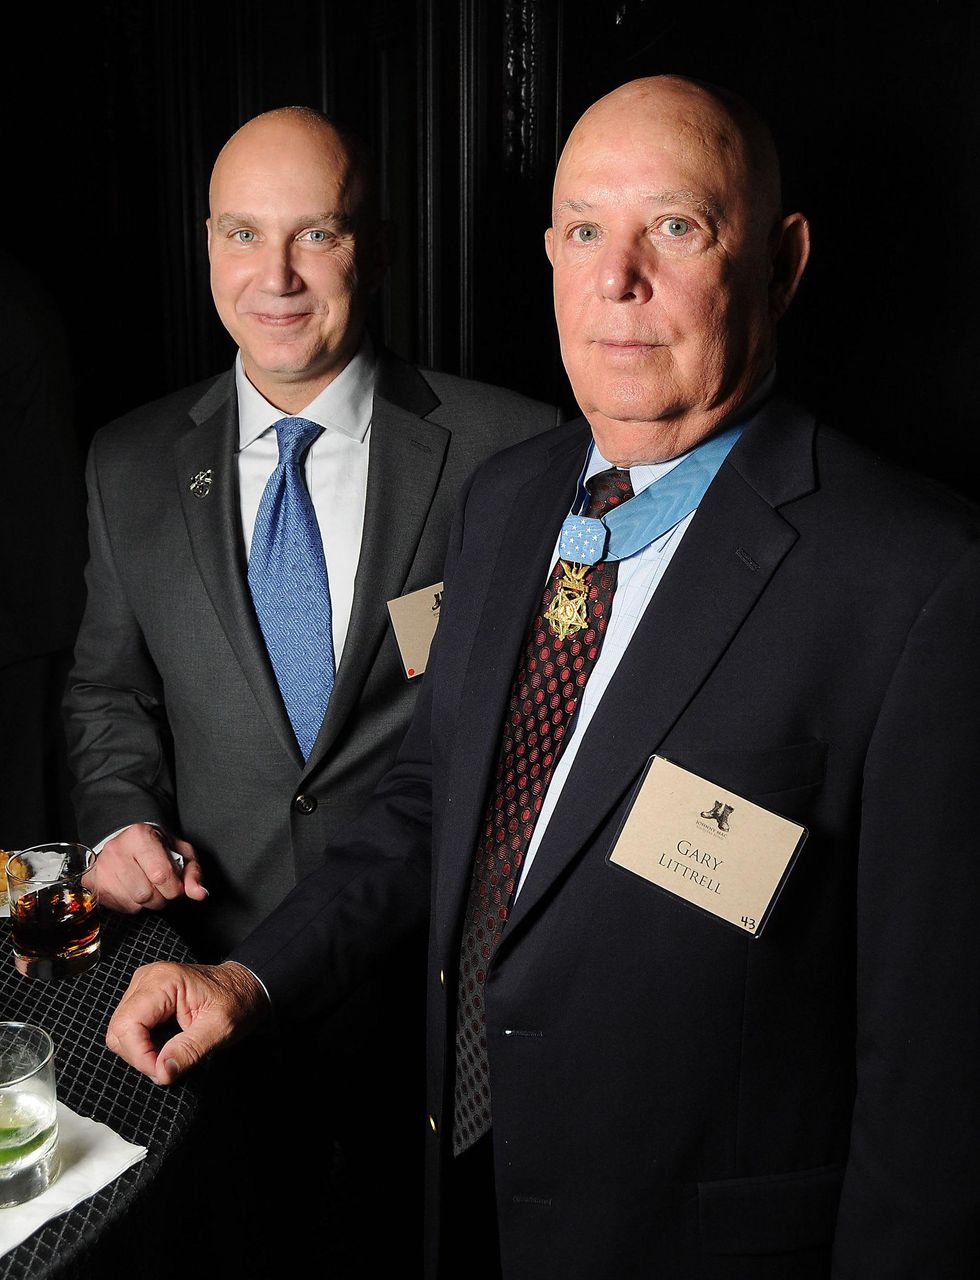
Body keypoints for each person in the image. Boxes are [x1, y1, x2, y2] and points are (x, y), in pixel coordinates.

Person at [105, 77, 980, 1280]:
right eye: (581, 230)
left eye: (673, 227)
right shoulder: (509, 500)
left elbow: (933, 1082)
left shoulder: (921, 584)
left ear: (779, 263)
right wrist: (248, 975)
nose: (614, 279)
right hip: (459, 1192)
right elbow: (428, 809)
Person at [65, 106, 558, 1274]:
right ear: (206, 245)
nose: (273, 276)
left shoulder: (513, 448)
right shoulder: (127, 461)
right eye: (241, 233)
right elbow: (104, 694)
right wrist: (120, 813)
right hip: (200, 980)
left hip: (429, 992)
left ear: (374, 249)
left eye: (315, 234)